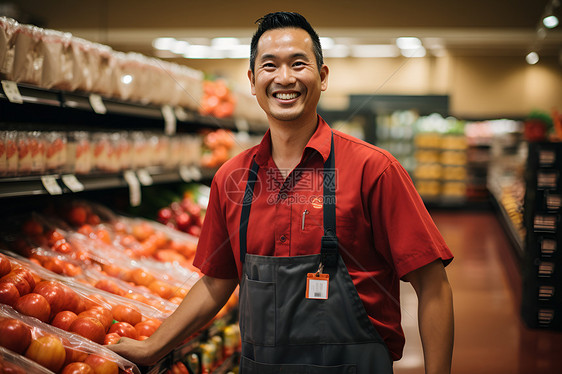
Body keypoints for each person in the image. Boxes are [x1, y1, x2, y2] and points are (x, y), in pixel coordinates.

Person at [109, 11, 454, 374]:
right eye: (270, 65)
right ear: (253, 79)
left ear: (322, 77)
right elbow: (216, 281)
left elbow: (433, 286)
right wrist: (152, 346)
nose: (284, 78)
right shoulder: (232, 178)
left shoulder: (375, 170)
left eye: (299, 64)